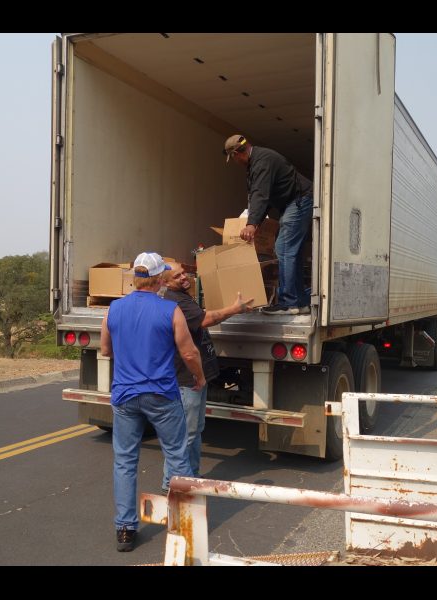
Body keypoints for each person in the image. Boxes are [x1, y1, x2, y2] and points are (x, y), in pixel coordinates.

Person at [100, 252, 206, 553]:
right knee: (176, 455)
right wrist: (199, 378)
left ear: (135, 277)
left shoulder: (114, 309)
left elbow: (106, 349)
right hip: (161, 395)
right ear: (160, 279)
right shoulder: (171, 310)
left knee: (125, 461)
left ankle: (125, 529)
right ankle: (182, 525)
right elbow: (188, 353)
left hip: (125, 396)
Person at [160, 263, 255, 492]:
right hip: (187, 378)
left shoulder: (183, 296)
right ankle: (171, 483)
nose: (184, 277)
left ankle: (192, 477)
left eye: (184, 272)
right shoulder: (176, 301)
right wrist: (235, 309)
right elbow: (206, 320)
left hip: (194, 377)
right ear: (164, 282)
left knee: (196, 430)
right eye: (177, 275)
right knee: (185, 434)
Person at [224, 134, 313, 315]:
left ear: (237, 154)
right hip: (296, 201)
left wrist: (251, 224)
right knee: (290, 251)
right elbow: (266, 198)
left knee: (284, 248)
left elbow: (260, 194)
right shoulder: (257, 161)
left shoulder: (261, 162)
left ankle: (289, 302)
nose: (235, 161)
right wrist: (256, 222)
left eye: (233, 158)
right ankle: (300, 302)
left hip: (299, 200)